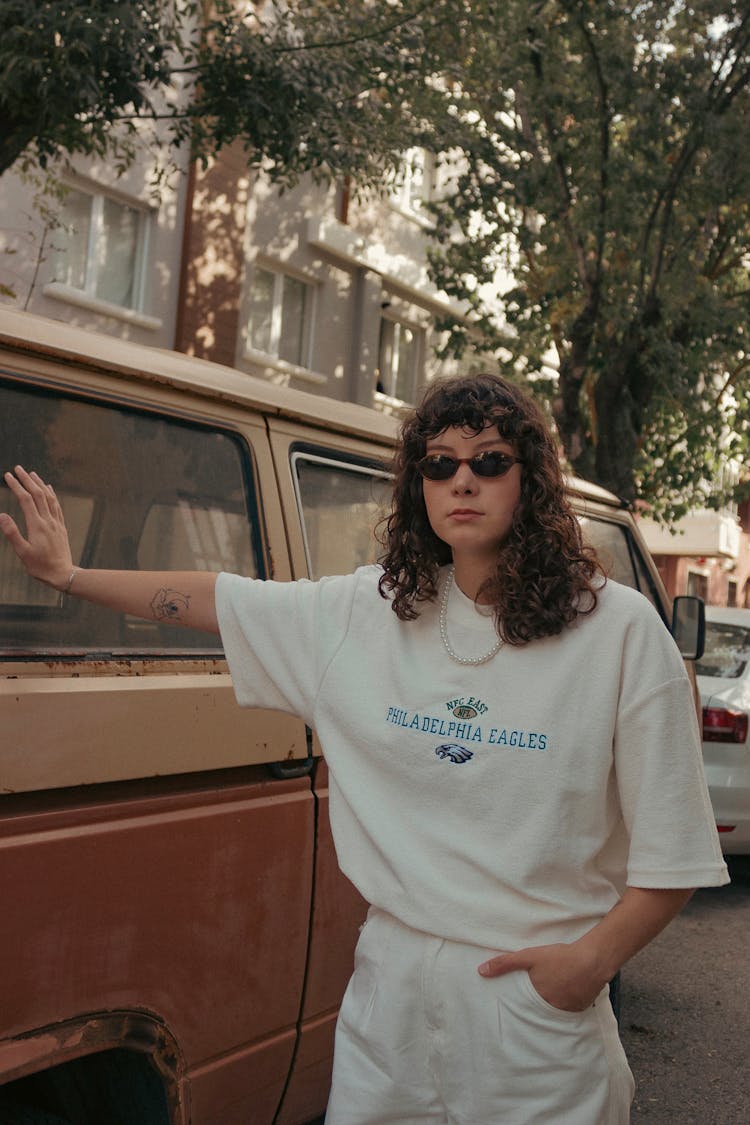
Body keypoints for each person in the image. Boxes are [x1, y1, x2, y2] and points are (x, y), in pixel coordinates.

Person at [1, 373, 728, 1125]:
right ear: (418, 485)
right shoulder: (369, 612)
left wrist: (589, 965)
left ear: (532, 479)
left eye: (489, 460)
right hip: (392, 997)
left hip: (532, 1008)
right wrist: (70, 575)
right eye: (439, 463)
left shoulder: (618, 632)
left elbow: (672, 853)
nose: (461, 481)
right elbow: (219, 598)